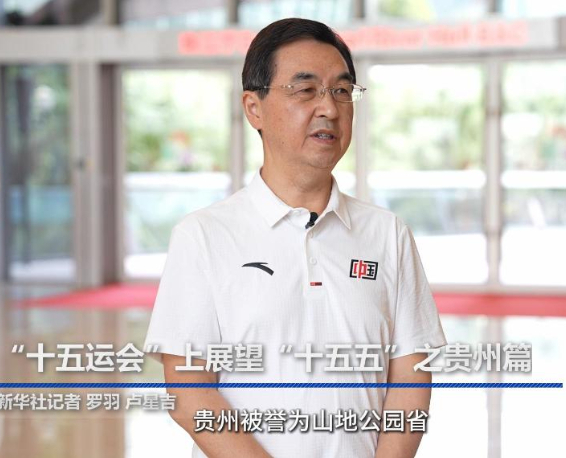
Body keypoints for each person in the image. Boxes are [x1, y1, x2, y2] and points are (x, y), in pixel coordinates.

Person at [144, 17, 447, 458]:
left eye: (341, 91)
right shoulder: (204, 236)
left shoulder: (388, 235)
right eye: (306, 90)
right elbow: (189, 390)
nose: (329, 108)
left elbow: (411, 376)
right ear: (254, 108)